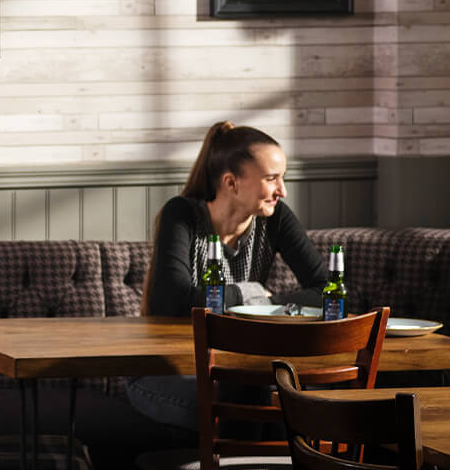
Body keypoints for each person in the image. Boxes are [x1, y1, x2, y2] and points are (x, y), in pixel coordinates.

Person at [129, 121, 330, 428]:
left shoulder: (275, 217)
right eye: (271, 179)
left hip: (236, 368)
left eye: (283, 177)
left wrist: (266, 304)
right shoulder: (181, 214)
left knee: (264, 396)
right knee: (249, 400)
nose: (282, 190)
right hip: (168, 370)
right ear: (231, 183)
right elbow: (171, 300)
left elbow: (328, 292)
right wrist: (251, 294)